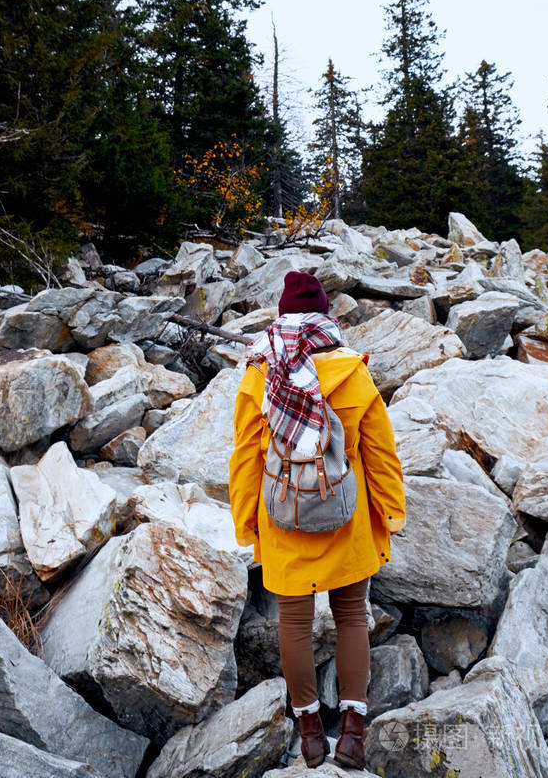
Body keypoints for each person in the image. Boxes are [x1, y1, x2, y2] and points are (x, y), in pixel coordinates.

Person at [229, 270, 406, 770]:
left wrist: (246, 520)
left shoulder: (260, 373)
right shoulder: (352, 371)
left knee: (294, 624)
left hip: (283, 514)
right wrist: (391, 510)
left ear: (282, 318)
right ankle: (352, 735)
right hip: (345, 515)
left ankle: (310, 736)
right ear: (325, 318)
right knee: (352, 618)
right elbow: (380, 452)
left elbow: (245, 457)